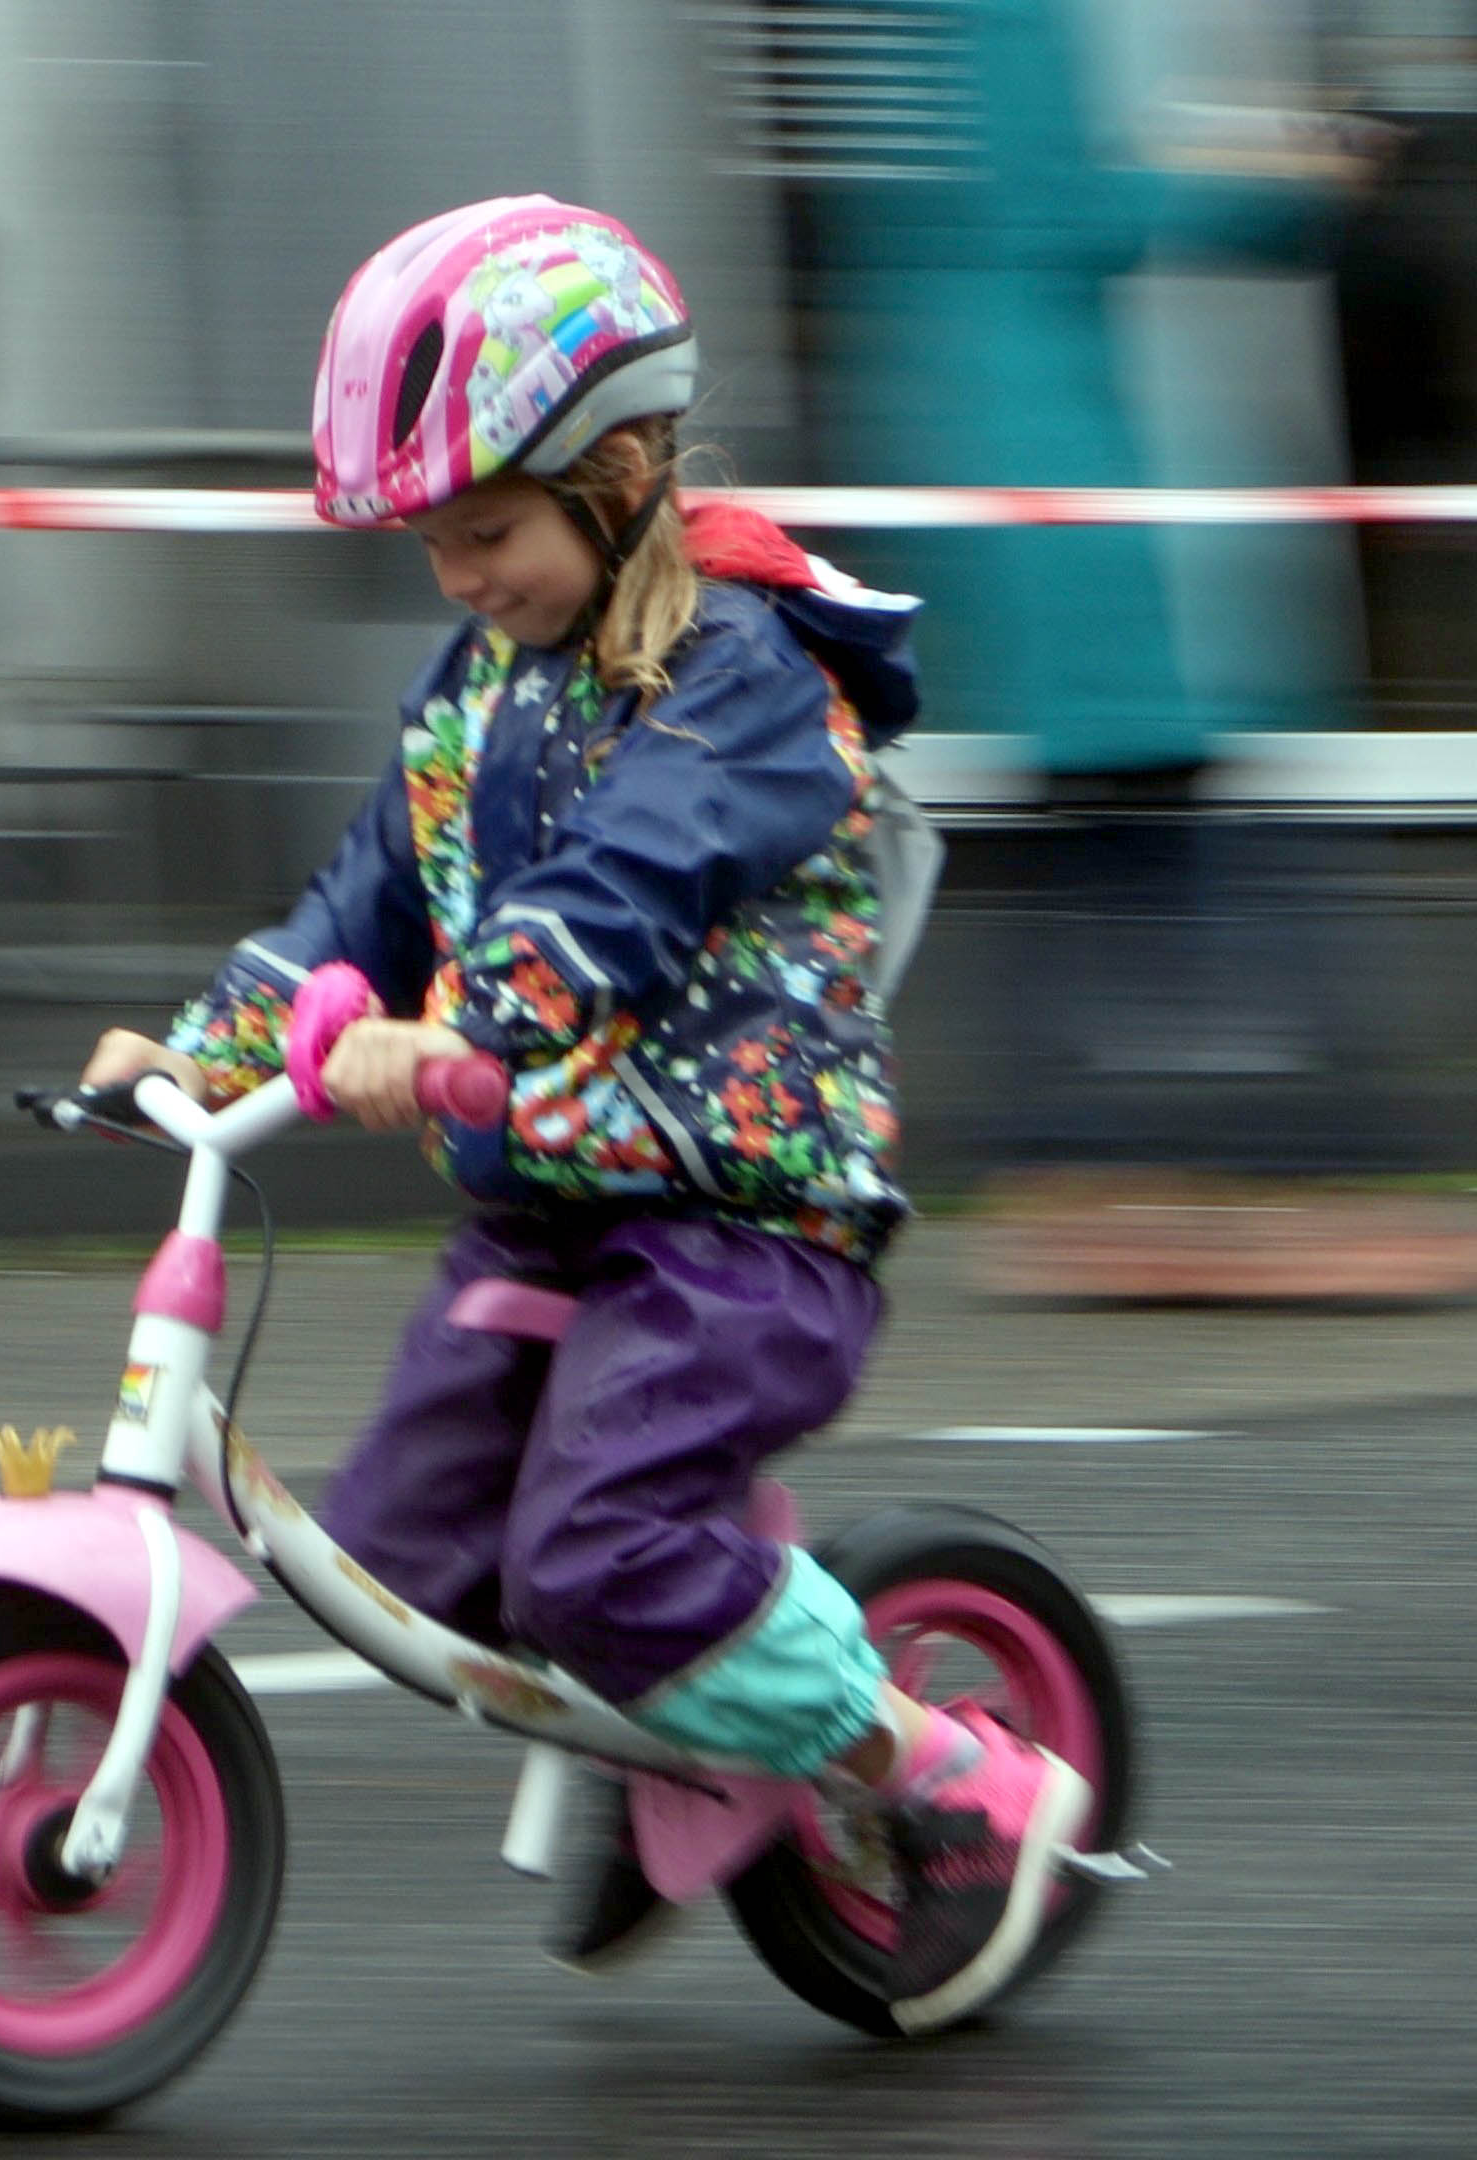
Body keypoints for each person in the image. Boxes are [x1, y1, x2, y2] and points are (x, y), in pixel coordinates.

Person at [81, 198, 1088, 2034]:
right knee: (406, 1553)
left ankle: (943, 1774)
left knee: (599, 1555)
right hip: (554, 1209)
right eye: (432, 546)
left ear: (618, 477)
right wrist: (202, 1048)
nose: (458, 578)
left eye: (487, 533)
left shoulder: (747, 682)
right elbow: (361, 905)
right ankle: (686, 1701)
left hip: (743, 1222)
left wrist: (463, 1021)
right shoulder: (475, 697)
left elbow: (624, 888)